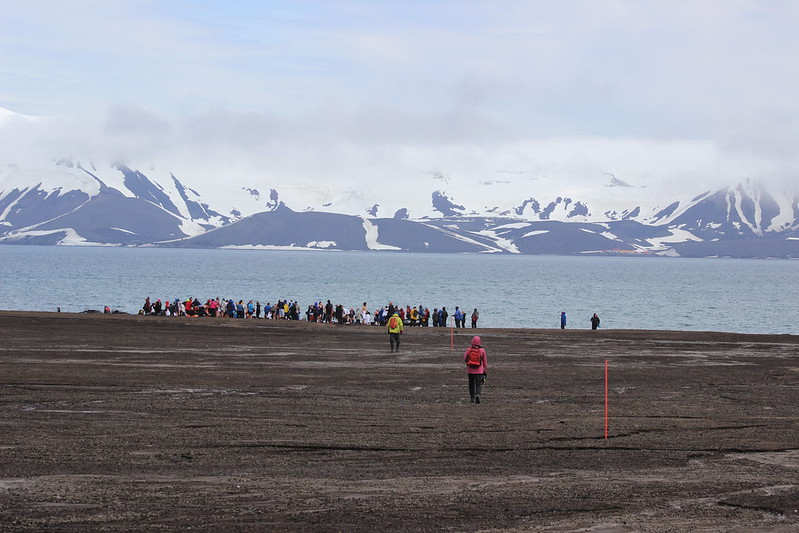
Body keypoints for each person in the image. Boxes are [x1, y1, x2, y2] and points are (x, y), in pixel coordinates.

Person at [464, 335, 487, 403]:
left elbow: (465, 358)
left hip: (470, 370)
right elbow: (485, 361)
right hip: (479, 371)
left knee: (471, 384)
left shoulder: (468, 350)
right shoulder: (482, 350)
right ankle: (477, 394)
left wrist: (468, 364)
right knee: (478, 384)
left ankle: (472, 397)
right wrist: (484, 369)